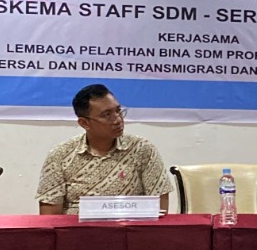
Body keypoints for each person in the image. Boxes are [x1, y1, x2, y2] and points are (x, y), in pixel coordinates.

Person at [35, 84, 172, 215]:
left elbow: (159, 208)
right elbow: (50, 217)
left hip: (130, 228)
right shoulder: (60, 155)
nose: (118, 120)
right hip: (78, 229)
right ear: (84, 123)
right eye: (107, 115)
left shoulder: (142, 149)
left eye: (118, 111)